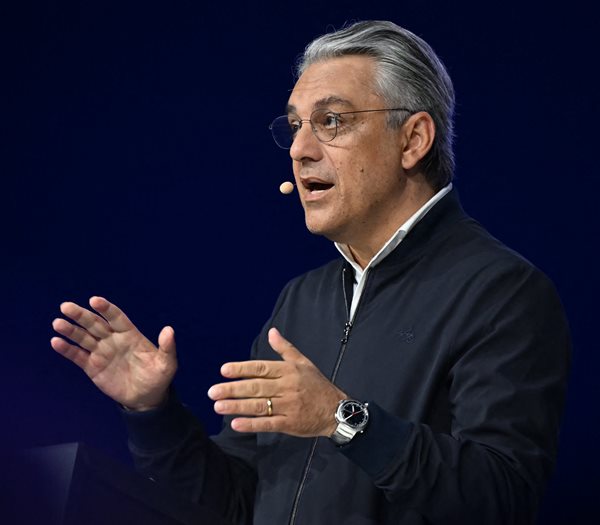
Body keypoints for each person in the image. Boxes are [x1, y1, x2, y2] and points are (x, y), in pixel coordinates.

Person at [51, 20, 570, 525]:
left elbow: (502, 497)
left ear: (413, 140)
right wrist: (152, 412)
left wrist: (341, 419)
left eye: (332, 121)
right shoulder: (301, 301)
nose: (300, 150)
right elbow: (235, 506)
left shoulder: (502, 292)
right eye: (297, 126)